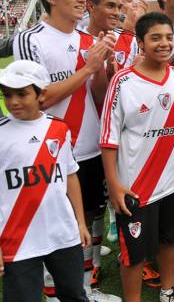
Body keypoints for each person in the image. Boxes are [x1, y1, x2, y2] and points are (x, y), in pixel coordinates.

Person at [13, 0, 120, 302]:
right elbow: (39, 98)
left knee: (89, 217)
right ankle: (52, 291)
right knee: (56, 223)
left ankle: (86, 289)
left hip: (89, 148)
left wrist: (106, 70)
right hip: (50, 150)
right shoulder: (31, 39)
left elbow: (99, 97)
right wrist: (87, 68)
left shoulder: (89, 41)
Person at [101, 12, 174, 302]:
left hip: (170, 181)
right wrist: (114, 184)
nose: (164, 43)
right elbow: (109, 137)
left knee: (170, 240)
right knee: (134, 253)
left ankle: (169, 291)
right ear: (141, 42)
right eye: (155, 37)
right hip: (135, 186)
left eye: (168, 37)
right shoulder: (122, 82)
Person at [0, 60, 91, 302]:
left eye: (22, 94)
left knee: (74, 294)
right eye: (7, 95)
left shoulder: (59, 129)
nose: (13, 102)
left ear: (41, 94)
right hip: (17, 240)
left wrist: (80, 223)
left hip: (62, 233)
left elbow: (70, 175)